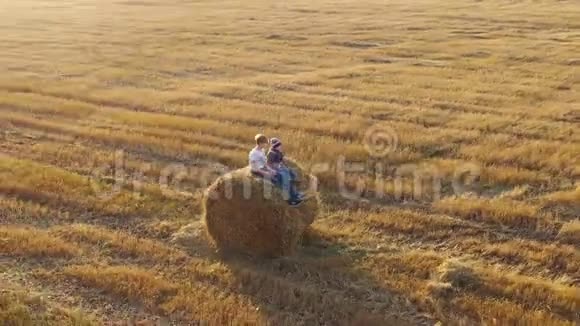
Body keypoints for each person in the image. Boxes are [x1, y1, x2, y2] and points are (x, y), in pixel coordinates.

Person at [267, 137, 303, 206]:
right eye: (278, 146)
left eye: (280, 145)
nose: (280, 146)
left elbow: (282, 161)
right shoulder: (271, 153)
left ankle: (295, 193)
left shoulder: (279, 152)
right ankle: (289, 198)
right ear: (275, 146)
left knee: (292, 173)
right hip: (274, 170)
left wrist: (288, 168)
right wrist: (273, 171)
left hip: (280, 168)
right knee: (285, 177)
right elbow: (268, 165)